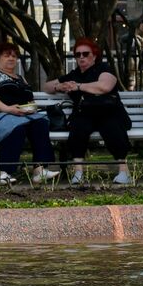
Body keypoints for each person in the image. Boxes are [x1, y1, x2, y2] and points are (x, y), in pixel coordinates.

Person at [43, 38, 131, 187]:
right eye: (78, 55)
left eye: (85, 53)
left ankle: (124, 171)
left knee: (112, 127)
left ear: (94, 56)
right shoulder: (74, 74)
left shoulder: (103, 69)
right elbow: (46, 86)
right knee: (78, 127)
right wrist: (60, 86)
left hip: (108, 111)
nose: (81, 57)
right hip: (84, 113)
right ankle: (78, 172)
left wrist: (78, 86)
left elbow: (104, 87)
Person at [0, 43, 59, 185]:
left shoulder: (21, 78)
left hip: (21, 116)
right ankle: (2, 172)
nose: (11, 58)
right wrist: (8, 109)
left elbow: (29, 99)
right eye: (7, 55)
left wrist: (30, 108)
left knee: (40, 123)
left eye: (14, 56)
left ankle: (39, 170)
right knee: (17, 127)